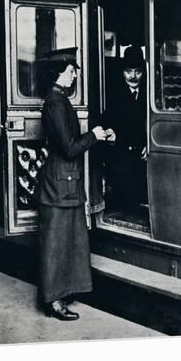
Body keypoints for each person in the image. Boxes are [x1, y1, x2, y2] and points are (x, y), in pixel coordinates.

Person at [35, 48, 106, 321]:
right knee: (55, 246)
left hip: (64, 183)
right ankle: (53, 302)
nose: (75, 74)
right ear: (59, 73)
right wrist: (94, 135)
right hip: (59, 185)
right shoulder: (55, 102)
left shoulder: (59, 100)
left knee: (66, 243)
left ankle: (61, 294)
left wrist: (96, 137)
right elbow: (68, 148)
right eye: (71, 70)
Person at [102, 45, 148, 213]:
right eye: (128, 71)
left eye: (137, 71)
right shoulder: (113, 95)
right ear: (122, 72)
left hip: (144, 157)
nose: (133, 77)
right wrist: (111, 131)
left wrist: (149, 144)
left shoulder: (151, 95)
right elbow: (106, 121)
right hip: (121, 158)